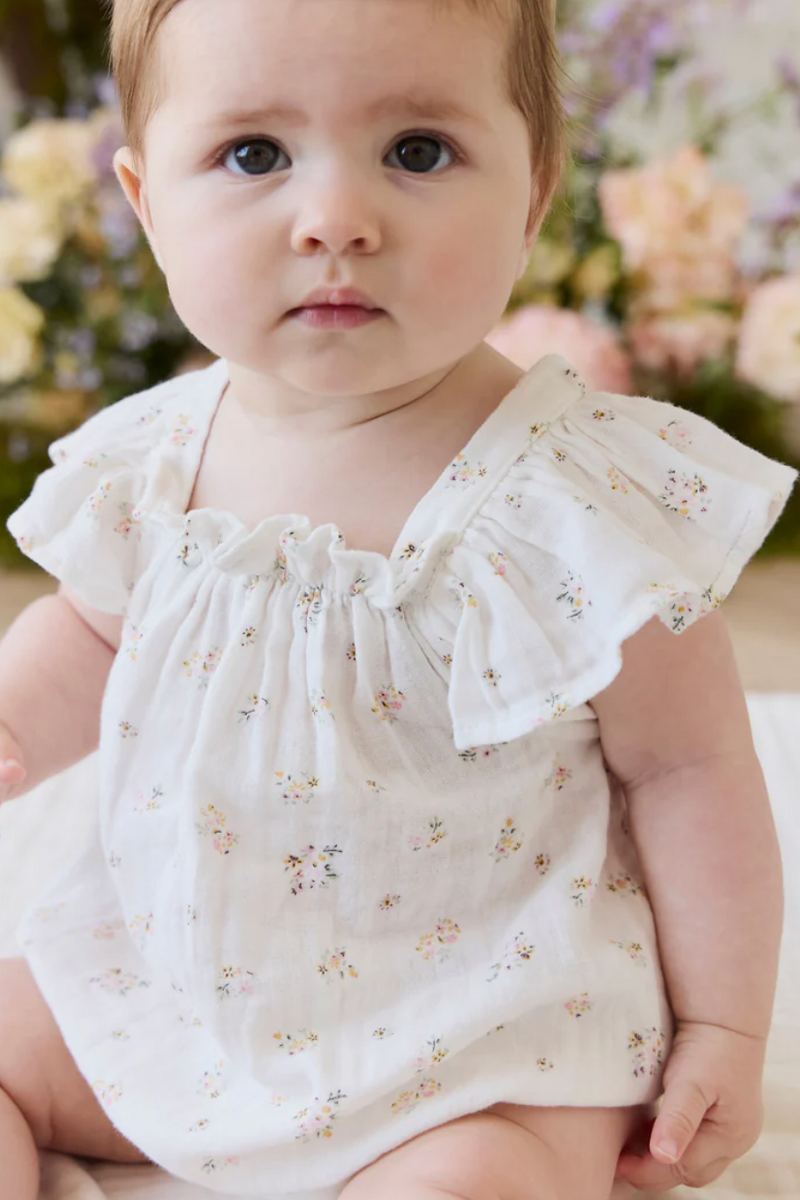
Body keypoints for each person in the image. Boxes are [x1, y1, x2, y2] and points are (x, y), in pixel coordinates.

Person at [0, 0, 796, 1197]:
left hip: (478, 1035)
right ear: (146, 202)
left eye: (417, 151)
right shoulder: (155, 461)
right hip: (183, 982)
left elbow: (687, 769)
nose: (336, 219)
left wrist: (723, 1027)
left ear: (532, 196)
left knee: (472, 1181)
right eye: (253, 154)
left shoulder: (564, 502)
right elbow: (91, 631)